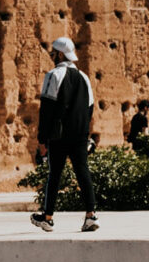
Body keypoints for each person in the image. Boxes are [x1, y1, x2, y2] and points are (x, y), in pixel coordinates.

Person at [30, 36, 99, 233]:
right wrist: (85, 134)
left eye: (53, 53)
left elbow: (47, 109)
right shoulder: (84, 77)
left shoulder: (53, 75)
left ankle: (48, 217)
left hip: (59, 135)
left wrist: (43, 138)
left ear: (59, 54)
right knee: (83, 172)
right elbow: (89, 108)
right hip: (79, 134)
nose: (52, 56)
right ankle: (91, 215)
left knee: (55, 175)